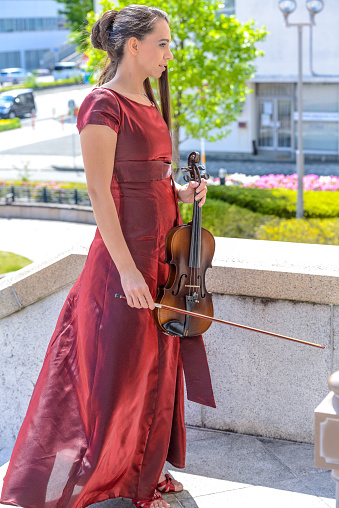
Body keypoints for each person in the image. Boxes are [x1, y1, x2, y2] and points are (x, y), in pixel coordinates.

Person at [0, 4, 215, 508]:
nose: (169, 52)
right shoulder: (103, 105)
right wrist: (126, 270)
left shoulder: (147, 98)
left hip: (164, 252)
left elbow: (153, 177)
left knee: (160, 366)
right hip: (126, 261)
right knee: (124, 369)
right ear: (133, 46)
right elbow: (100, 193)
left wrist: (181, 194)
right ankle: (120, 478)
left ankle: (146, 474)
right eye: (162, 43)